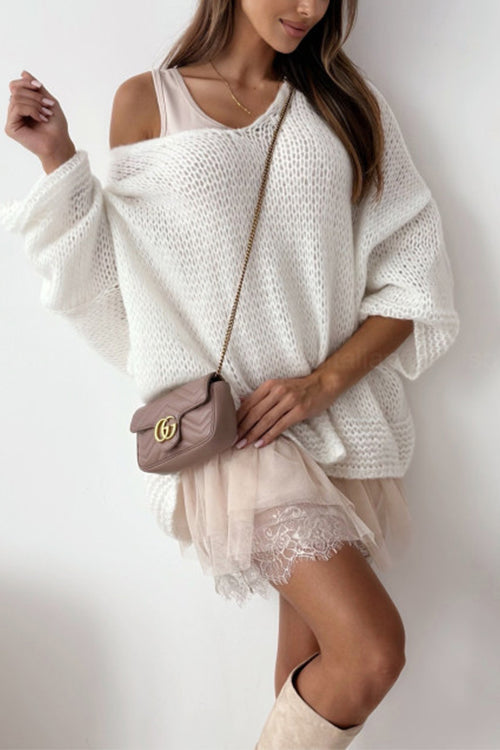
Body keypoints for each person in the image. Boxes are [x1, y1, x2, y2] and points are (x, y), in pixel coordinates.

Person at [1, 0, 459, 747]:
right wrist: (58, 159)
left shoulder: (345, 105)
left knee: (309, 672)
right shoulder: (149, 101)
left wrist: (321, 384)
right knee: (370, 651)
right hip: (236, 436)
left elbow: (412, 276)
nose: (309, 8)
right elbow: (120, 282)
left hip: (334, 425)